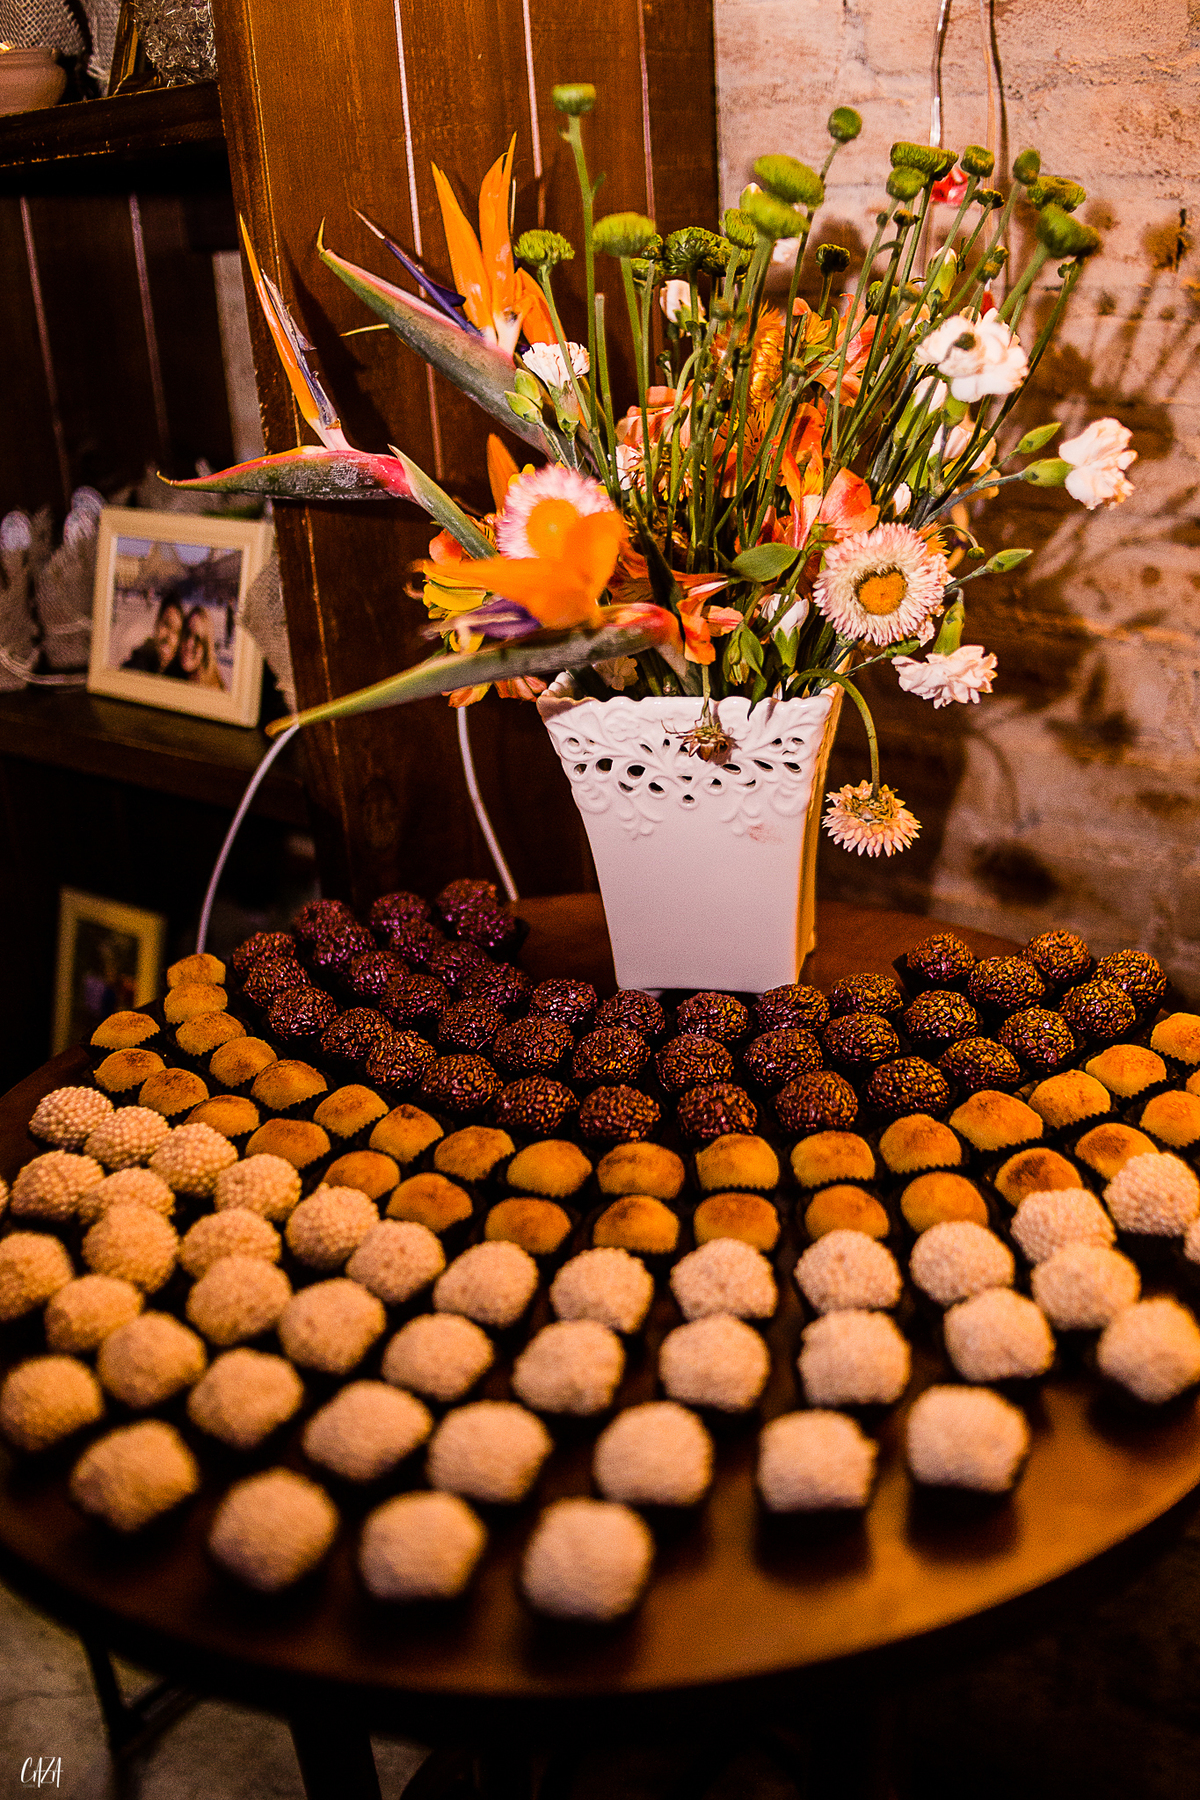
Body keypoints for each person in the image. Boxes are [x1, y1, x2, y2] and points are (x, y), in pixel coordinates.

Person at [121, 594, 183, 674]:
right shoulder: (135, 668)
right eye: (166, 625)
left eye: (176, 631)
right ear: (156, 624)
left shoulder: (180, 675)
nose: (169, 636)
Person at [170, 604, 226, 690]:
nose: (189, 644)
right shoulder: (170, 674)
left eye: (198, 639)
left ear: (206, 648)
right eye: (187, 633)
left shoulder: (214, 692)